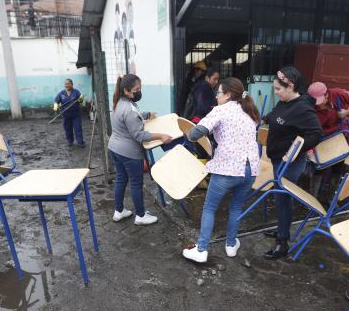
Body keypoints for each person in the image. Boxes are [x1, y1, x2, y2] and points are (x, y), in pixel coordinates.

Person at [182, 78, 260, 263]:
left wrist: (187, 131)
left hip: (227, 168)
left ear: (228, 95)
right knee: (236, 207)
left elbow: (195, 133)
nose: (216, 96)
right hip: (250, 170)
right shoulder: (249, 111)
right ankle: (231, 245)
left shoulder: (220, 110)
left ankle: (201, 250)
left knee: (209, 208)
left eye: (218, 93)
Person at [263, 67, 323, 259]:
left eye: (278, 89)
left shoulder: (302, 108)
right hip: (276, 158)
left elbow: (316, 134)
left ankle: (282, 242)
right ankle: (282, 228)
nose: (276, 92)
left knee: (283, 199)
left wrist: (295, 150)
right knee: (280, 199)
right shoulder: (284, 102)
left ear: (290, 86)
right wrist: (262, 118)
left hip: (289, 163)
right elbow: (275, 117)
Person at [108, 74, 172, 225]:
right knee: (136, 183)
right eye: (137, 90)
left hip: (115, 148)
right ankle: (141, 216)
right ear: (126, 90)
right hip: (129, 153)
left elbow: (133, 117)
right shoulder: (128, 108)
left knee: (121, 179)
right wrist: (161, 136)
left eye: (140, 89)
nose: (139, 92)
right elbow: (139, 135)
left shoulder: (119, 102)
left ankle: (119, 211)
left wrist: (148, 115)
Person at [306, 82, 349, 198]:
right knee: (319, 167)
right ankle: (312, 198)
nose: (319, 106)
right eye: (316, 103)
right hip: (323, 138)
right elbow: (310, 130)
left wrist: (348, 110)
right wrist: (310, 148)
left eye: (320, 102)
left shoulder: (337, 93)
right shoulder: (310, 107)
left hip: (340, 135)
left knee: (337, 167)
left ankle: (330, 197)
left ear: (326, 95)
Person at [53, 79, 85, 148]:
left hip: (75, 114)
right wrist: (56, 106)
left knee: (78, 128)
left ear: (71, 84)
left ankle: (80, 142)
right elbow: (56, 101)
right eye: (65, 84)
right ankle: (70, 141)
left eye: (68, 84)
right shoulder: (61, 93)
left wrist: (81, 99)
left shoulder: (76, 92)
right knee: (68, 129)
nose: (66, 85)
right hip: (66, 115)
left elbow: (81, 101)